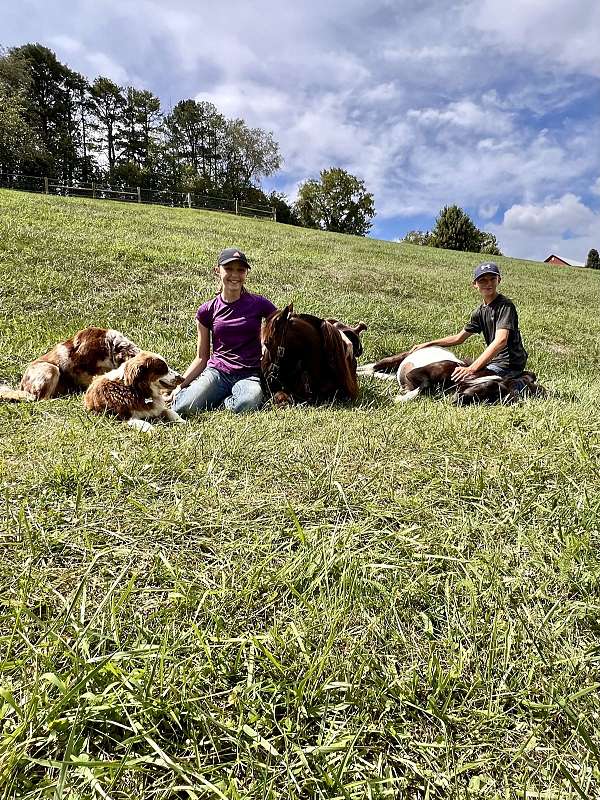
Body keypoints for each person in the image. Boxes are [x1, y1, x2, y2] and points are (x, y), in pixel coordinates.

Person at [171, 248, 277, 415]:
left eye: (240, 270)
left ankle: (221, 401)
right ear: (217, 270)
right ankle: (206, 394)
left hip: (249, 374)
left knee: (247, 403)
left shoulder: (259, 303)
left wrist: (265, 343)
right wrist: (180, 385)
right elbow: (201, 357)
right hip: (217, 372)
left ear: (246, 273)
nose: (235, 275)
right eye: (228, 269)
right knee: (182, 407)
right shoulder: (206, 310)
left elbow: (281, 323)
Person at [409, 261, 528, 382]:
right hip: (495, 361)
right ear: (475, 284)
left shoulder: (505, 306)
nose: (488, 283)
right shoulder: (480, 312)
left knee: (469, 384)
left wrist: (472, 369)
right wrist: (427, 344)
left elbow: (501, 341)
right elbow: (459, 338)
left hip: (510, 364)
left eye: (492, 279)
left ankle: (521, 384)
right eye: (482, 280)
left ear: (499, 280)